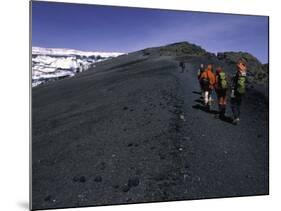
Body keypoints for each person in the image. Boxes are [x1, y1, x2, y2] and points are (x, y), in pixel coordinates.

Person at [230, 58, 248, 125]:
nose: (237, 64)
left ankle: (236, 117)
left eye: (239, 62)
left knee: (232, 103)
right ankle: (238, 117)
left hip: (235, 90)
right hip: (241, 91)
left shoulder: (239, 70)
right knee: (238, 104)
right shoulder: (244, 70)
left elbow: (236, 81)